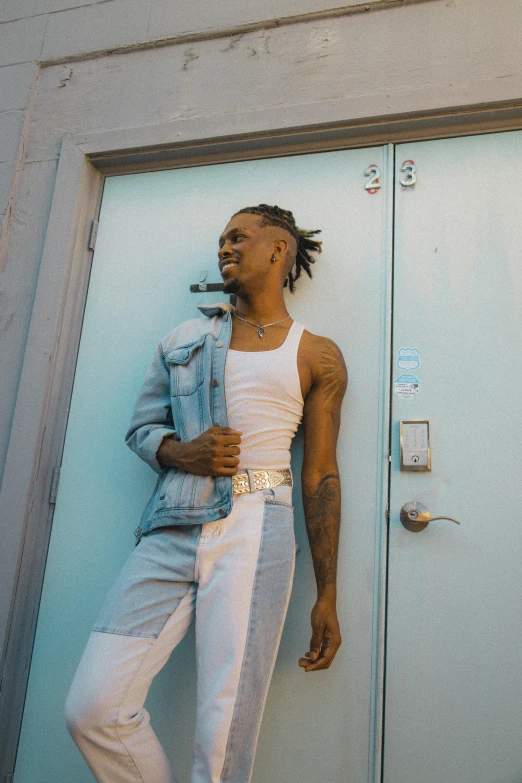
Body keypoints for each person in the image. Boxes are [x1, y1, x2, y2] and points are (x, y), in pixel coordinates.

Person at [65, 203, 348, 783]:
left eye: (238, 237)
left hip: (258, 526)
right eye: (220, 240)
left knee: (222, 741)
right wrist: (181, 453)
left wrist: (328, 593)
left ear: (279, 249)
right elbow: (143, 430)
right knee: (93, 708)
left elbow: (320, 475)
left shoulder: (317, 353)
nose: (224, 247)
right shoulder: (186, 337)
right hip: (174, 522)